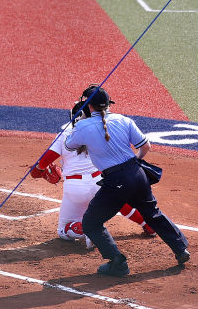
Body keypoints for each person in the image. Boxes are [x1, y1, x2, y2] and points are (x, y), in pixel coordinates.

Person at [63, 85, 189, 277]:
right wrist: (135, 162)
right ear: (108, 104)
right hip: (137, 174)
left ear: (88, 106)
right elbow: (145, 146)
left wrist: (77, 122)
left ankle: (118, 263)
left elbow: (69, 145)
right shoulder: (124, 120)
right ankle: (180, 249)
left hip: (115, 181)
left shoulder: (83, 126)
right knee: (152, 213)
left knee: (90, 223)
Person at [31, 98, 155, 247]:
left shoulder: (65, 135)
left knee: (63, 232)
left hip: (74, 189)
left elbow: (42, 164)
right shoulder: (102, 130)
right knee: (119, 202)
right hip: (99, 183)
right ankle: (147, 224)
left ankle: (86, 230)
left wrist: (38, 170)